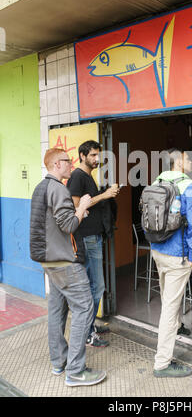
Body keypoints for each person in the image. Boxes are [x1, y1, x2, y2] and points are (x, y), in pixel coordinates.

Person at [30, 148, 106, 387]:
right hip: (64, 262)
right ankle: (75, 371)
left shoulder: (40, 188)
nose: (71, 164)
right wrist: (83, 205)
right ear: (55, 164)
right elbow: (70, 225)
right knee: (84, 308)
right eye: (67, 161)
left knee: (57, 311)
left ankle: (59, 362)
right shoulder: (58, 189)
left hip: (49, 261)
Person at [151, 148, 192, 378]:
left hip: (157, 250)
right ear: (179, 162)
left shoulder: (157, 180)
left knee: (168, 296)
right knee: (169, 308)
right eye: (187, 158)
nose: (190, 160)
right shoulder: (190, 186)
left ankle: (178, 325)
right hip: (176, 254)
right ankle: (162, 363)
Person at [67, 140, 119, 347]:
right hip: (87, 238)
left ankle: (90, 326)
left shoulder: (87, 176)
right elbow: (76, 205)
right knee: (96, 287)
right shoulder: (78, 176)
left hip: (94, 236)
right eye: (93, 156)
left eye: (98, 155)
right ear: (82, 155)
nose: (97, 159)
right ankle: (87, 333)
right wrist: (104, 195)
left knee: (95, 286)